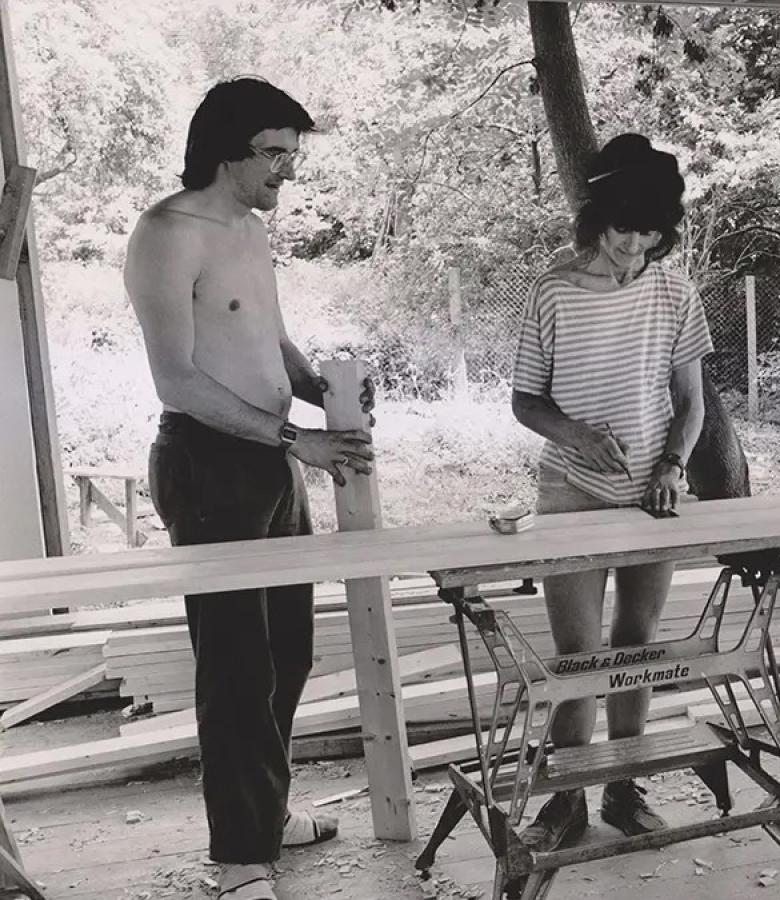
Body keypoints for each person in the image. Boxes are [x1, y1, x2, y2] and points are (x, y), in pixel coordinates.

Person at [124, 77, 375, 900]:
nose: (287, 171)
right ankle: (239, 858)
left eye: (293, 155)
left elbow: (269, 337)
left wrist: (323, 393)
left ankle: (265, 815)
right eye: (273, 154)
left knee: (287, 653)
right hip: (207, 465)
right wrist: (298, 438)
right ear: (224, 151)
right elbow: (177, 380)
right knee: (235, 669)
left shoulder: (251, 229)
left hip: (270, 460)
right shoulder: (167, 233)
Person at [510, 134, 713, 850]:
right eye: (624, 229)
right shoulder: (552, 290)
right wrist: (573, 434)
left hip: (652, 494)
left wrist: (673, 467)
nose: (635, 246)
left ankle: (625, 786)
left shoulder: (675, 291)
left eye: (650, 234)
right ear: (598, 220)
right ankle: (565, 800)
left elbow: (692, 404)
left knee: (636, 645)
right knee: (578, 655)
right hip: (571, 490)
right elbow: (525, 401)